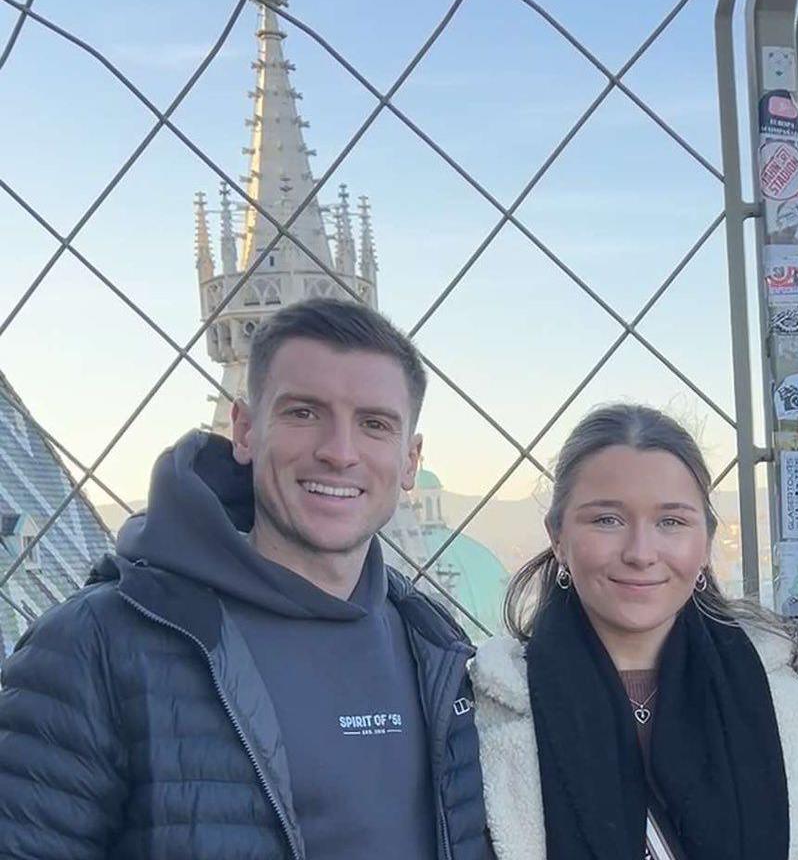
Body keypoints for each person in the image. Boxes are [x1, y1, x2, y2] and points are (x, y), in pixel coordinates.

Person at [0, 298, 489, 859]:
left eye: (375, 424)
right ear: (244, 430)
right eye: (304, 413)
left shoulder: (440, 652)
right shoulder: (97, 645)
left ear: (410, 460)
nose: (338, 452)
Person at [470, 403, 798, 860]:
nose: (640, 552)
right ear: (557, 536)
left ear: (706, 541)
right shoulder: (485, 711)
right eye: (607, 520)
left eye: (670, 522)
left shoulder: (782, 698)